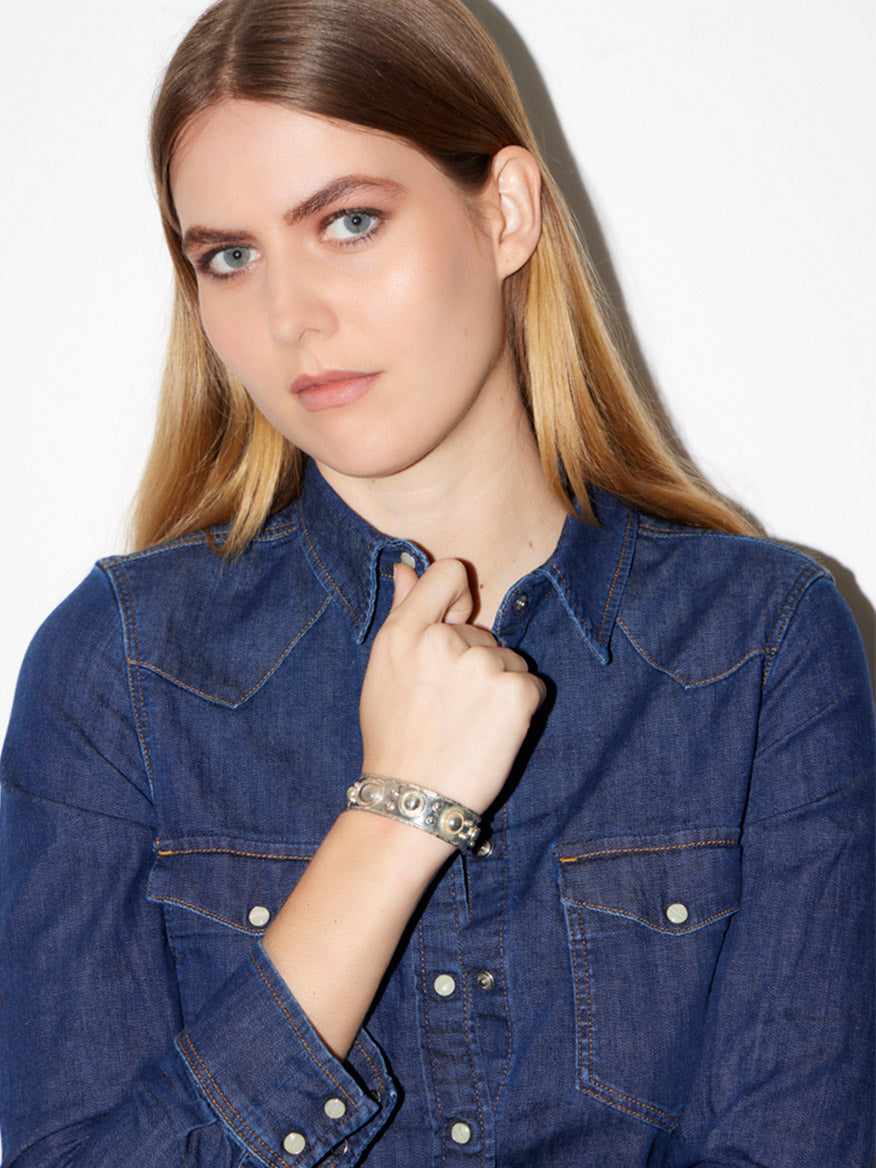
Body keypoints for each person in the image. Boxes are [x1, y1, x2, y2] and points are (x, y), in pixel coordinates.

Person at [0, 0, 872, 1164]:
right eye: (229, 256)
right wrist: (395, 812)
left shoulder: (761, 647)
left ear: (504, 210)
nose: (290, 316)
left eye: (349, 221)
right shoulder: (118, 669)